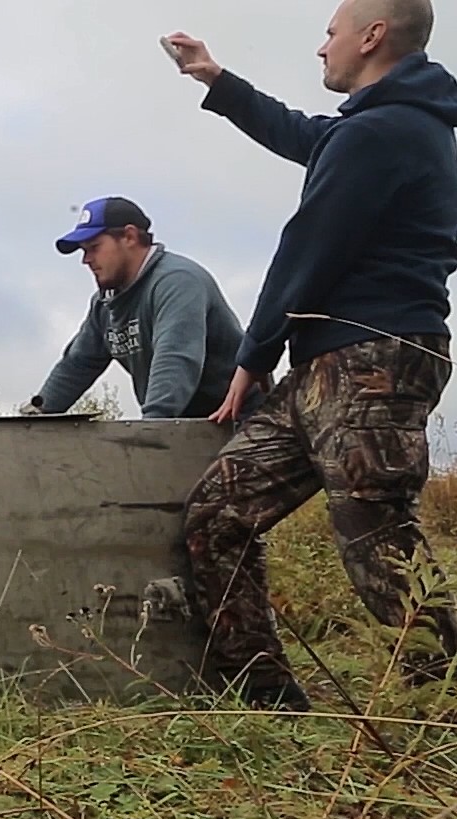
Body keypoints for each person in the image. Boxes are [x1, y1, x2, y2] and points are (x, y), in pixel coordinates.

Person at [166, 0, 457, 711]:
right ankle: (266, 695)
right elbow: (307, 135)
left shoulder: (385, 131)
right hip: (327, 363)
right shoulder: (381, 128)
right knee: (218, 514)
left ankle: (444, 709)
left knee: (381, 550)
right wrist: (218, 80)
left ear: (372, 36)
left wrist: (252, 354)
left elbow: (308, 249)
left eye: (330, 33)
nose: (321, 47)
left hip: (372, 361)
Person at [24, 196, 253, 419]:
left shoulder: (177, 282)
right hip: (183, 425)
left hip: (242, 419)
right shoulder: (105, 303)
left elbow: (175, 357)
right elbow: (78, 364)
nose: (86, 260)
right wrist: (35, 419)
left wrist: (150, 426)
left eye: (94, 247)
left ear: (129, 237)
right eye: (84, 251)